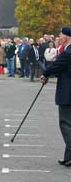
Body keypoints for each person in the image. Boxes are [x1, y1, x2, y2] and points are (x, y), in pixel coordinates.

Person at [41, 27, 71, 167]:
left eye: (61, 35)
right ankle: (68, 158)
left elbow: (57, 65)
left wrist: (45, 74)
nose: (58, 38)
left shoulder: (68, 52)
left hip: (67, 93)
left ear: (66, 38)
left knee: (65, 124)